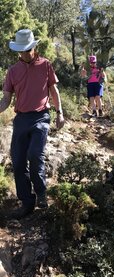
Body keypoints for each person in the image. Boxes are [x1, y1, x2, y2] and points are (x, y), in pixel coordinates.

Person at [0, 29, 65, 219]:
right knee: (18, 161)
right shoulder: (12, 71)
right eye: (21, 51)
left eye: (27, 50)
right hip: (21, 119)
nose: (24, 54)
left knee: (35, 154)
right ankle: (27, 202)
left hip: (41, 117)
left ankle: (42, 193)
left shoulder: (46, 65)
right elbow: (6, 100)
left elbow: (54, 92)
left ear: (34, 47)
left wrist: (60, 113)